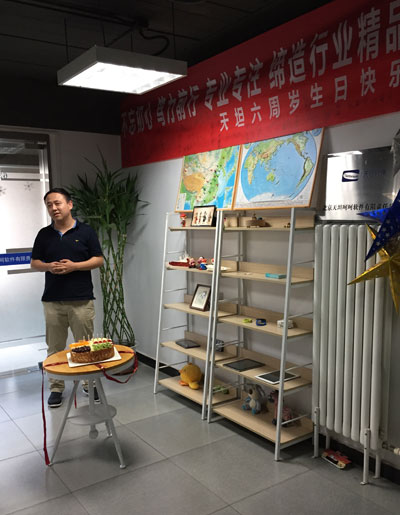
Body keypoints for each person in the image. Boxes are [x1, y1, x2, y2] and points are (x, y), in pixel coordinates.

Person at [31, 187, 104, 408]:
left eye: (58, 203)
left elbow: (99, 259)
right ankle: (56, 387)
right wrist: (48, 266)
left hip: (81, 299)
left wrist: (75, 266)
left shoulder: (86, 231)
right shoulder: (44, 234)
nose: (54, 208)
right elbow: (34, 263)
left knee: (85, 347)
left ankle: (88, 383)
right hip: (53, 300)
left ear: (69, 204)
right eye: (49, 205)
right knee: (55, 347)